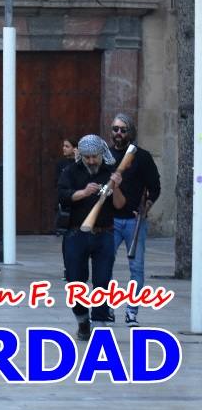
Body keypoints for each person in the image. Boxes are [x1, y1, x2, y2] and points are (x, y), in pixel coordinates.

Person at [58, 133, 126, 340]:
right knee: (74, 282)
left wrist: (116, 186)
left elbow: (120, 205)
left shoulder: (109, 173)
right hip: (76, 234)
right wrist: (84, 192)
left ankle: (99, 325)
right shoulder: (70, 171)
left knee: (103, 281)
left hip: (104, 234)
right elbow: (63, 196)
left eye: (95, 156)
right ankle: (82, 320)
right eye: (87, 157)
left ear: (101, 155)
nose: (91, 161)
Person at [109, 114, 160, 325]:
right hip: (110, 222)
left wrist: (146, 206)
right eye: (115, 129)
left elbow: (155, 187)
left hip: (134, 221)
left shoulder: (143, 157)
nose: (118, 134)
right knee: (104, 266)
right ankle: (107, 308)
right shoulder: (107, 156)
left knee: (136, 269)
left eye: (123, 130)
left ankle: (132, 311)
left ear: (131, 132)